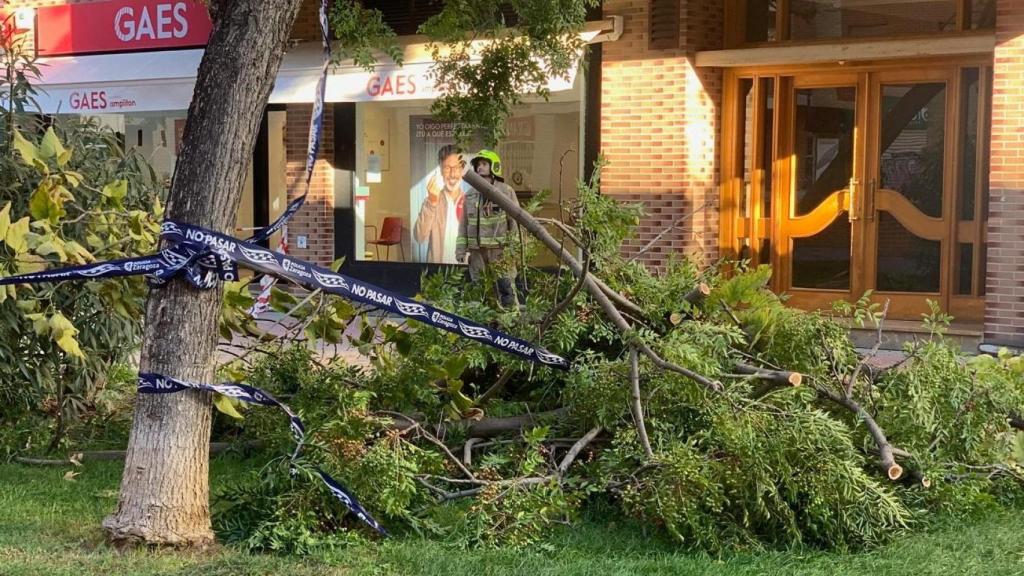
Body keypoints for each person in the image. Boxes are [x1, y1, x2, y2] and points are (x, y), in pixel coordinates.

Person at [457, 149, 522, 309]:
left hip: (499, 251)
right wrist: (460, 250)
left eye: (484, 164)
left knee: (506, 289)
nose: (480, 167)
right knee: (479, 290)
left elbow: (514, 222)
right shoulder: (470, 194)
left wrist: (513, 250)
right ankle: (482, 324)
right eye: (478, 164)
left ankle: (511, 323)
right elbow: (463, 224)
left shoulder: (506, 192)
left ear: (494, 167)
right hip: (477, 252)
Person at [414, 144, 465, 263]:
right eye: (447, 168)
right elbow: (419, 237)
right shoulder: (432, 200)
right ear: (440, 170)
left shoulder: (470, 202)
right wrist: (431, 203)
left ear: (462, 170)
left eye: (456, 167)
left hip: (465, 274)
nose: (452, 174)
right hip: (437, 276)